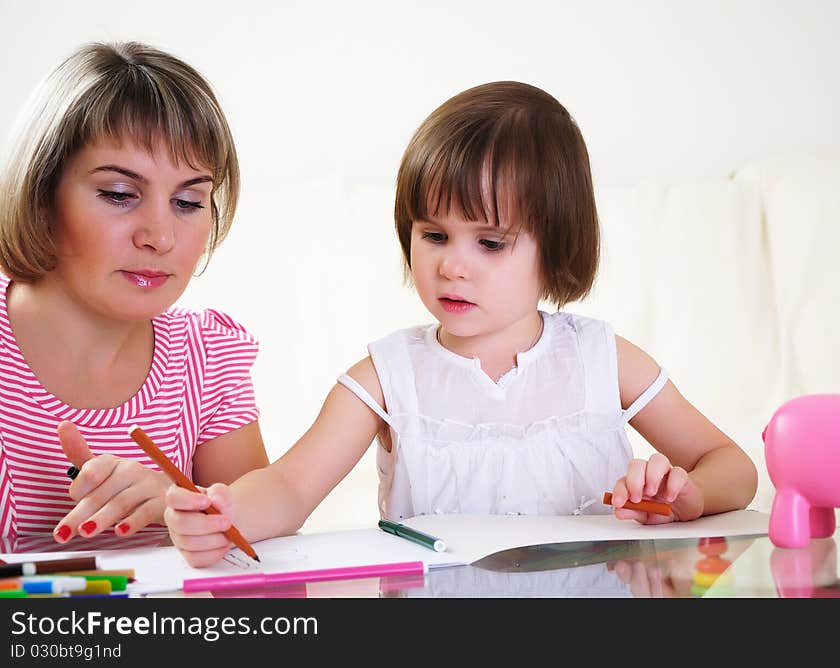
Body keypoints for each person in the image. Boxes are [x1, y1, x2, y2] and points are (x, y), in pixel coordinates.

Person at [165, 81, 758, 567]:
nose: (451, 265)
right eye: (434, 235)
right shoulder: (385, 379)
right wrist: (223, 510)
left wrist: (687, 495)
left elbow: (732, 466)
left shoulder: (604, 359)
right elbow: (291, 488)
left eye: (491, 242)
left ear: (556, 248)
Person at [0, 41, 269, 547]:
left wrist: (187, 507)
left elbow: (270, 580)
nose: (159, 236)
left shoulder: (208, 358)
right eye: (120, 195)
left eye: (188, 201)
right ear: (41, 195)